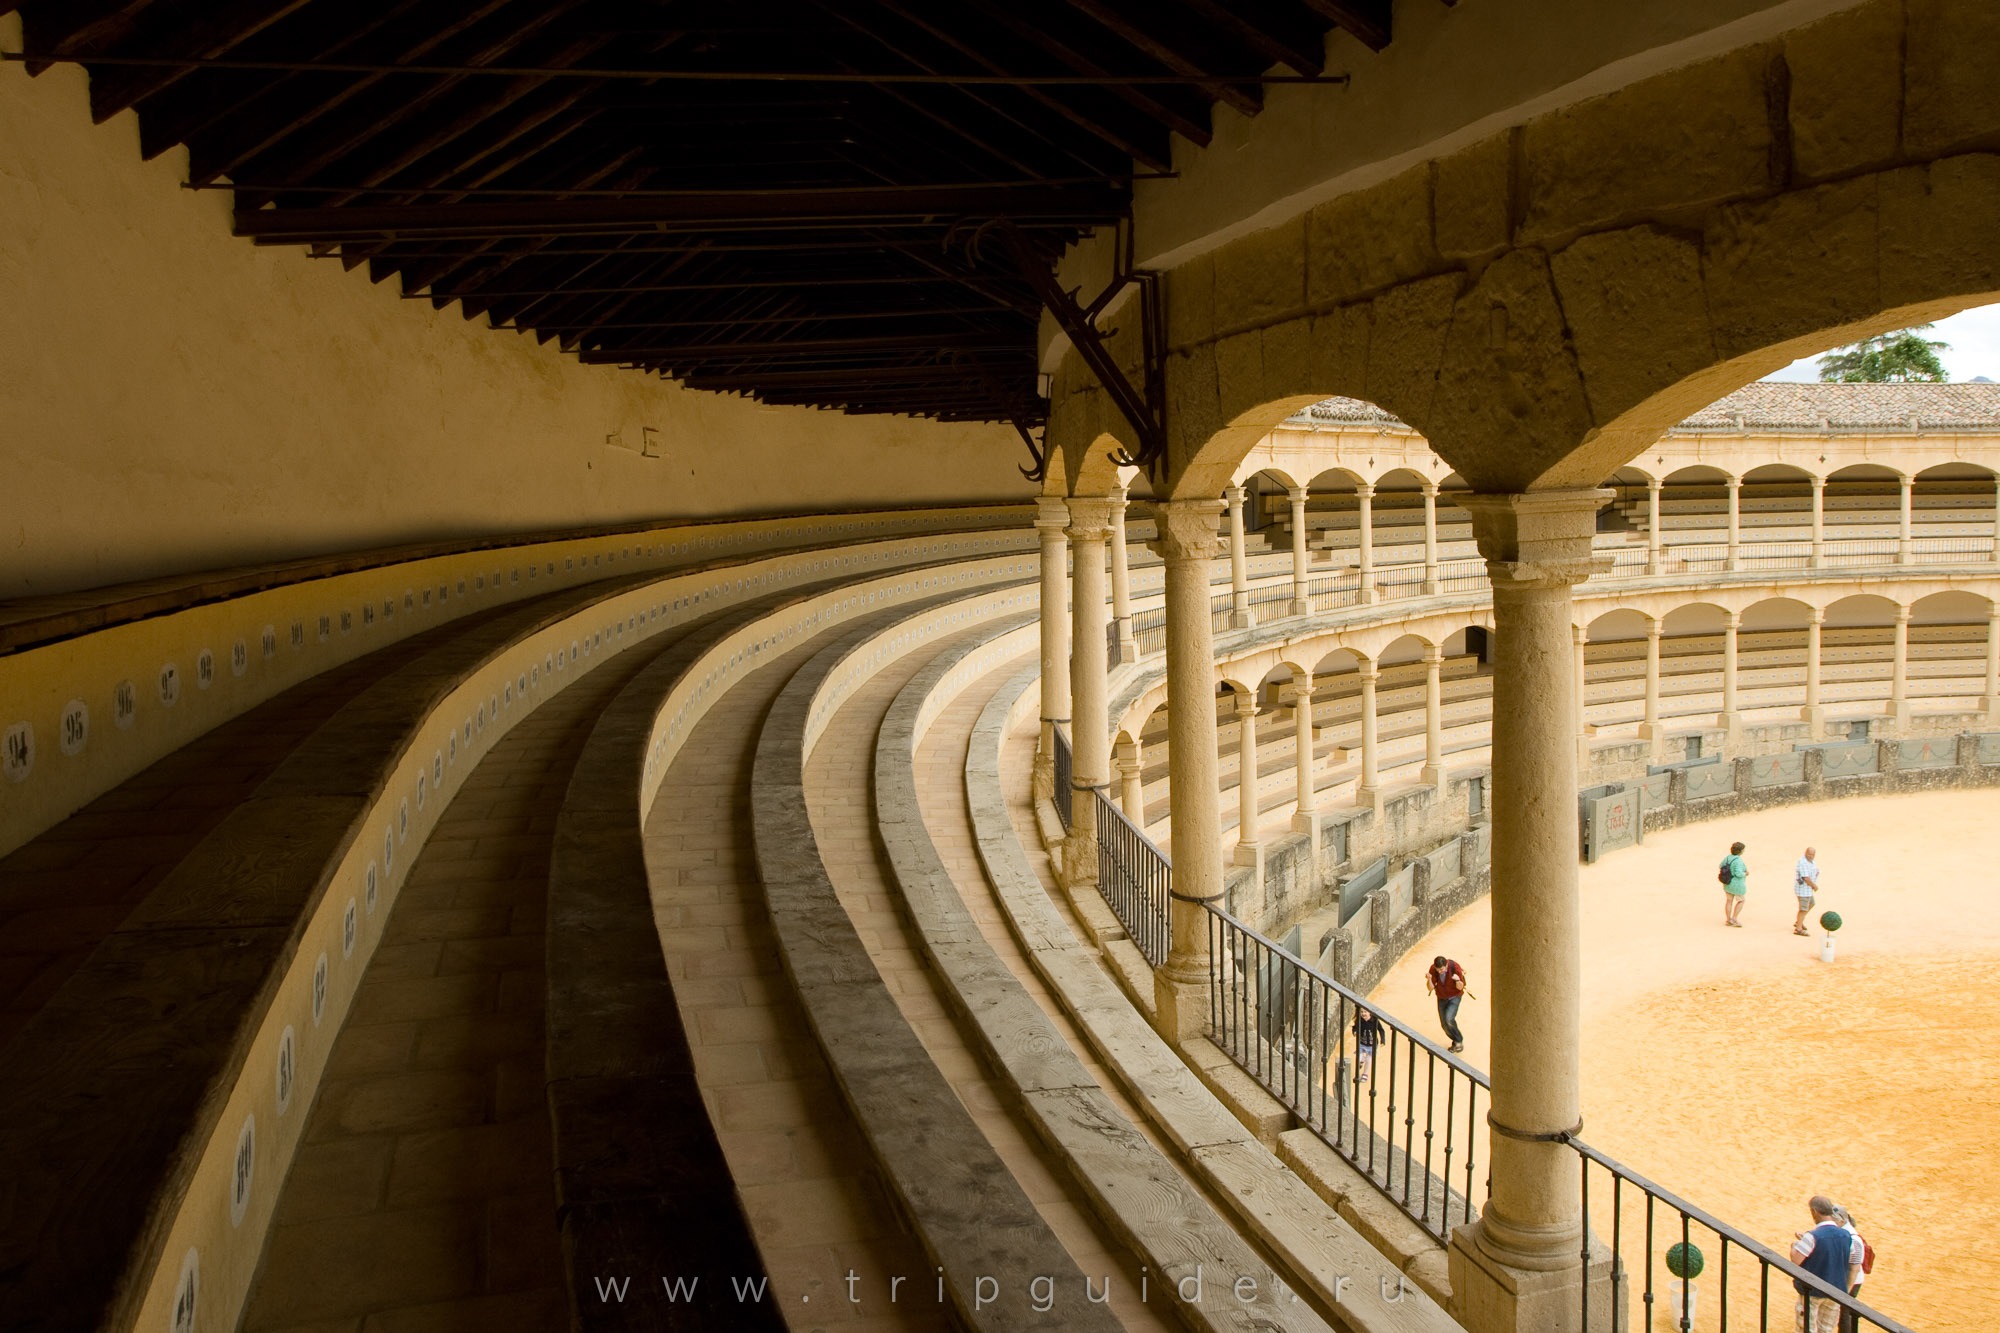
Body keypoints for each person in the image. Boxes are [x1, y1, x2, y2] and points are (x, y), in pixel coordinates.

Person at [1789, 1194, 1853, 1333]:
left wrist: (1795, 1245)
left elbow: (1796, 1260)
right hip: (1835, 1292)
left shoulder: (1812, 1236)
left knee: (1807, 1329)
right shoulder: (1846, 1235)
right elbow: (1848, 1258)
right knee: (1827, 1330)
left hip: (1812, 1292)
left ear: (1815, 1212)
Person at [1832, 1204, 1872, 1333]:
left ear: (1842, 1221)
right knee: (1844, 1314)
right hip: (1848, 1279)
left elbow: (1854, 1269)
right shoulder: (1844, 1231)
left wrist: (1845, 1292)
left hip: (1851, 1281)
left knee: (1843, 1314)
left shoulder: (1851, 1238)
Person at [1425, 956, 1470, 1053]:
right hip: (1442, 997)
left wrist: (1457, 980)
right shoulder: (1433, 969)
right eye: (1438, 970)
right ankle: (1455, 1041)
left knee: (1449, 1018)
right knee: (1444, 1024)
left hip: (1455, 996)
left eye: (1441, 969)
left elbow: (1460, 987)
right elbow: (1430, 988)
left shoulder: (1455, 967)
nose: (1440, 972)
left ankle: (1458, 1041)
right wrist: (1429, 979)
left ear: (1446, 966)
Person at [1352, 1007, 1385, 1084]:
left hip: (1372, 1044)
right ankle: (1362, 1060)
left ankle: (1365, 1074)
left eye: (1365, 1012)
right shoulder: (1359, 1021)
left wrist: (1382, 1040)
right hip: (1362, 1043)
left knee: (1368, 1059)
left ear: (1369, 1012)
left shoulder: (1375, 1021)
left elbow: (1381, 1030)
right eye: (1362, 1012)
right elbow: (1354, 1027)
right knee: (1359, 1058)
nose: (1363, 1014)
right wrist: (1354, 1032)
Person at [1793, 847, 1821, 937]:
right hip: (1803, 890)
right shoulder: (1803, 862)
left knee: (1811, 903)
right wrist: (1814, 886)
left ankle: (1799, 922)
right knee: (1803, 908)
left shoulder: (1812, 862)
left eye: (1812, 855)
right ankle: (1798, 929)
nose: (1811, 856)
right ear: (1805, 853)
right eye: (1809, 854)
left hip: (1807, 890)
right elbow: (1805, 878)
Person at [1720, 840, 1749, 927]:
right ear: (1740, 851)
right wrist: (1745, 874)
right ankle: (1734, 918)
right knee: (1741, 900)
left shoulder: (1728, 857)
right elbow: (1738, 873)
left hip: (1727, 883)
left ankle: (1728, 919)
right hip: (1737, 884)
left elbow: (1721, 865)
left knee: (1729, 901)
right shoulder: (1738, 861)